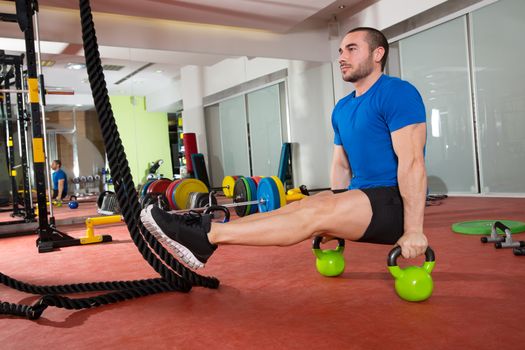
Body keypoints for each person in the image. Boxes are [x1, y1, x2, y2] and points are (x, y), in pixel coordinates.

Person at [140, 27, 429, 270]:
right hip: (360, 198)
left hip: (392, 203)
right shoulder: (343, 108)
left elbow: (413, 161)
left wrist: (414, 229)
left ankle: (207, 234)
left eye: (351, 49)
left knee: (317, 211)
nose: (342, 57)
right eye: (340, 50)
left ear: (378, 54)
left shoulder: (397, 92)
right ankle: (203, 237)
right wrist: (337, 214)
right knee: (305, 204)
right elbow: (341, 164)